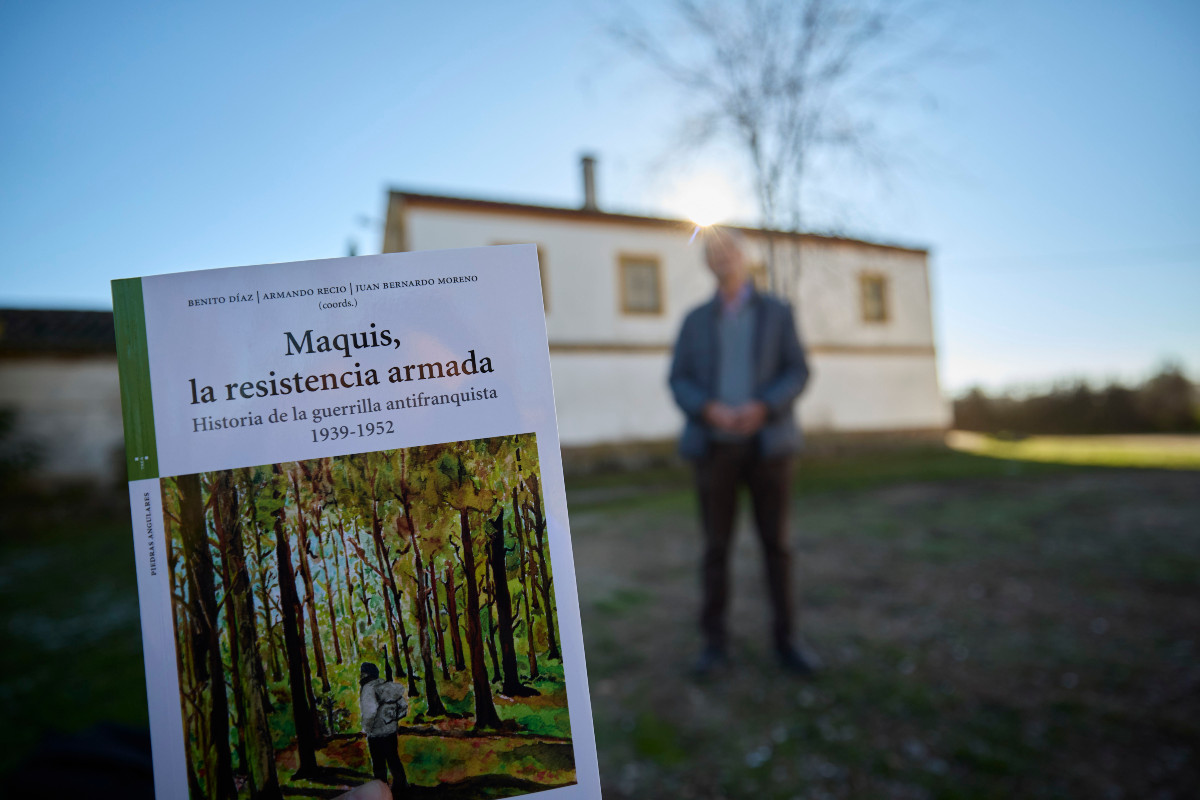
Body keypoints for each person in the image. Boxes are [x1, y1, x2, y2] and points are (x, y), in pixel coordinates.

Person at [668, 226, 820, 676]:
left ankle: (787, 641)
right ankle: (714, 645)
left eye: (729, 249)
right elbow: (679, 380)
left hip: (769, 448)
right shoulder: (694, 320)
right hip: (714, 450)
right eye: (713, 251)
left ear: (745, 256)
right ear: (706, 262)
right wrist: (708, 409)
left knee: (778, 547)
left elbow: (798, 370)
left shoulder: (777, 311)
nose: (722, 257)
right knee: (716, 549)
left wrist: (764, 405)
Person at [359, 661, 410, 795]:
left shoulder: (368, 688)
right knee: (393, 759)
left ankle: (381, 792)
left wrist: (366, 729)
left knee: (379, 764)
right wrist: (393, 719)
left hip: (375, 734)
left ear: (365, 674)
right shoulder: (388, 686)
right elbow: (404, 708)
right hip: (391, 731)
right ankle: (401, 787)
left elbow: (369, 712)